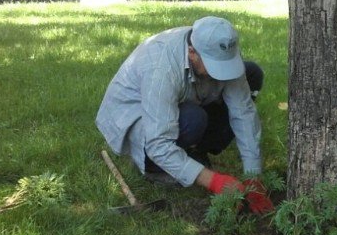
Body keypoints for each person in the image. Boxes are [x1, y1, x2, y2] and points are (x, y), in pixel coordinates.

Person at [96, 16, 273, 214]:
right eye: (214, 66)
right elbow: (158, 143)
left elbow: (243, 112)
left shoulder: (222, 50)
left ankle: (192, 153)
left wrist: (253, 176)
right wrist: (213, 180)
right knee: (193, 119)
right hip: (138, 119)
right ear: (192, 53)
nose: (222, 73)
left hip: (185, 101)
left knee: (252, 73)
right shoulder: (160, 68)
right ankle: (155, 168)